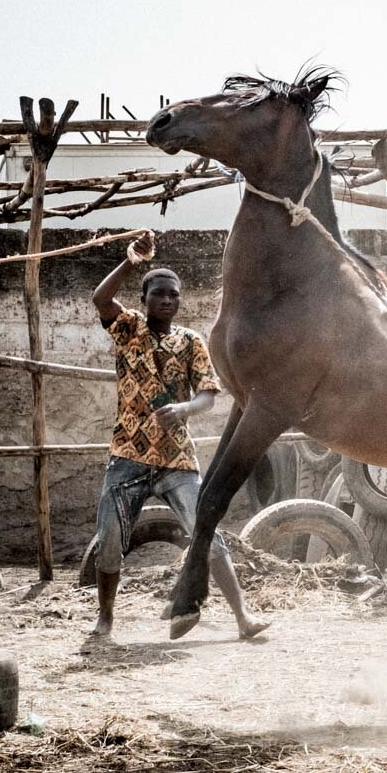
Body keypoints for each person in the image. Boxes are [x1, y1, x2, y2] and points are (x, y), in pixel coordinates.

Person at [84, 230, 268, 642]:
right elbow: (100, 300)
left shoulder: (191, 341)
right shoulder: (128, 329)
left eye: (174, 295)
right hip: (128, 452)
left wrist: (184, 409)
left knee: (206, 532)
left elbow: (207, 397)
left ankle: (243, 617)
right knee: (110, 538)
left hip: (177, 459)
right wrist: (131, 262)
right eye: (159, 294)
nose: (167, 300)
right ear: (145, 298)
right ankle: (106, 619)